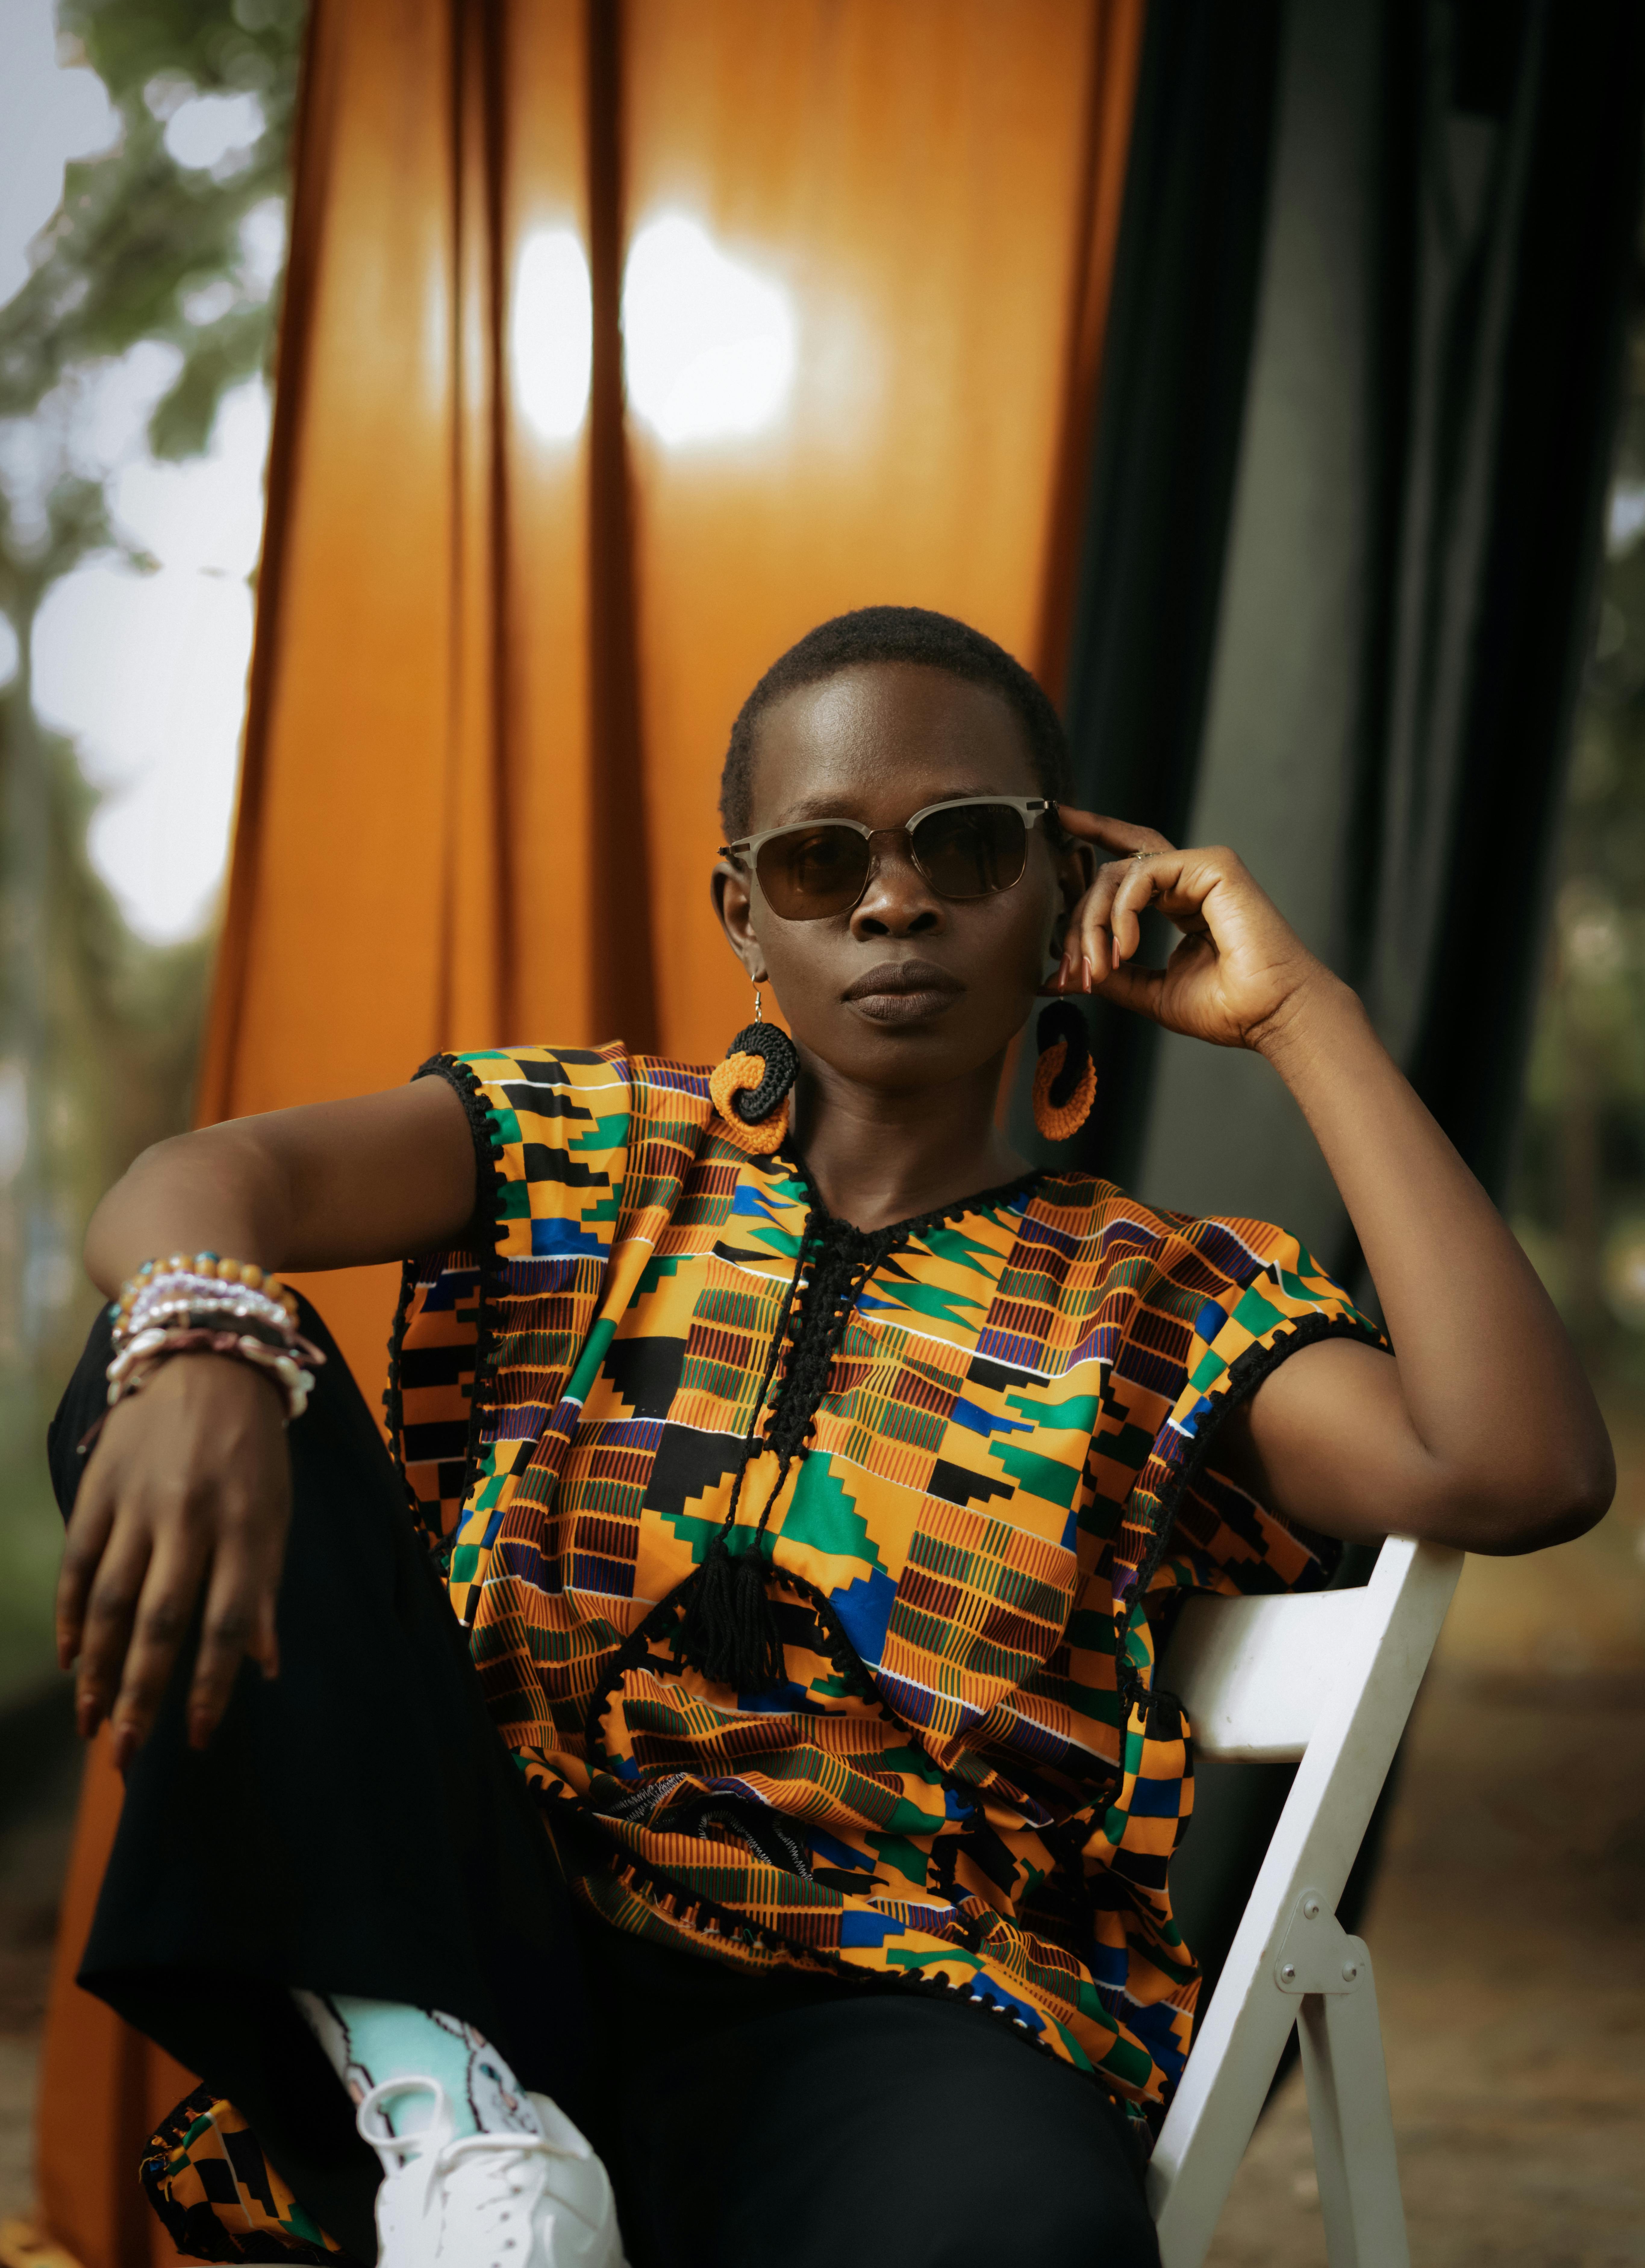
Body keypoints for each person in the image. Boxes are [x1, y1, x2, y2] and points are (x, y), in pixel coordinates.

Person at [50, 608, 1612, 2268]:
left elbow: (1511, 1469)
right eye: (816, 863)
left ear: (1063, 892)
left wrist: (1301, 1014)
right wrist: (209, 1334)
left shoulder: (1157, 1304)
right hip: (480, 1938)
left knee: (1025, 2238)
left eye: (963, 844)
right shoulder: (582, 1150)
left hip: (884, 2016)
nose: (891, 899)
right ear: (744, 914)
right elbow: (204, 1183)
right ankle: (456, 2114)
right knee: (174, 1344)